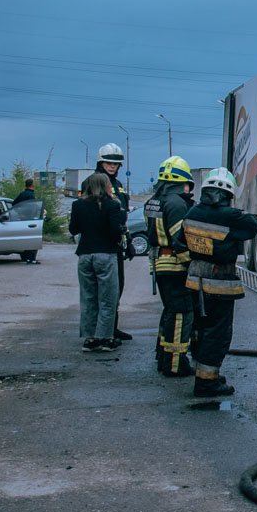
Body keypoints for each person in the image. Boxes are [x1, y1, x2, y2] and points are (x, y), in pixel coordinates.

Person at [182, 167, 257, 397]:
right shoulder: (231, 217)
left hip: (195, 281)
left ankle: (204, 374)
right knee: (218, 333)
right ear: (228, 193)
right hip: (219, 284)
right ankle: (206, 383)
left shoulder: (191, 213)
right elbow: (252, 226)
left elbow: (180, 240)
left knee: (200, 329)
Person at [145, 156, 197, 377]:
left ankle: (163, 355)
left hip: (160, 264)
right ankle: (175, 364)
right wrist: (191, 264)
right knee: (181, 313)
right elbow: (179, 239)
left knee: (169, 311)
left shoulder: (155, 200)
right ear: (182, 181)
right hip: (175, 266)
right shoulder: (176, 203)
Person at [69, 173, 125, 353]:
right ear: (105, 185)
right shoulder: (112, 204)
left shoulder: (78, 205)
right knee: (108, 298)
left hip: (85, 255)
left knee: (88, 297)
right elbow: (115, 231)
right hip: (106, 255)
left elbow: (73, 229)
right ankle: (105, 338)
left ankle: (89, 338)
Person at [95, 143, 136, 342]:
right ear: (101, 162)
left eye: (115, 163)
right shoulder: (95, 183)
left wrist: (127, 239)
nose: (112, 166)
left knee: (117, 287)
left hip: (116, 242)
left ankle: (112, 326)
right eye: (108, 163)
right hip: (102, 242)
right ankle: (101, 331)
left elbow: (122, 214)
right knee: (103, 290)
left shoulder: (117, 184)